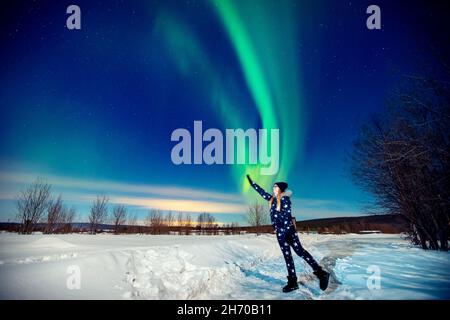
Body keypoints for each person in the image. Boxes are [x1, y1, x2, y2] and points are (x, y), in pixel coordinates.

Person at [246, 174, 330, 292]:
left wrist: (283, 230)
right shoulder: (272, 200)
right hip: (280, 234)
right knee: (287, 257)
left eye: (275, 187)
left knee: (300, 252)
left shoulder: (285, 200)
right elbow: (262, 192)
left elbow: (286, 216)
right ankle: (293, 282)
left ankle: (321, 273)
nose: (273, 189)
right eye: (273, 187)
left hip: (288, 232)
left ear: (280, 189)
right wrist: (253, 184)